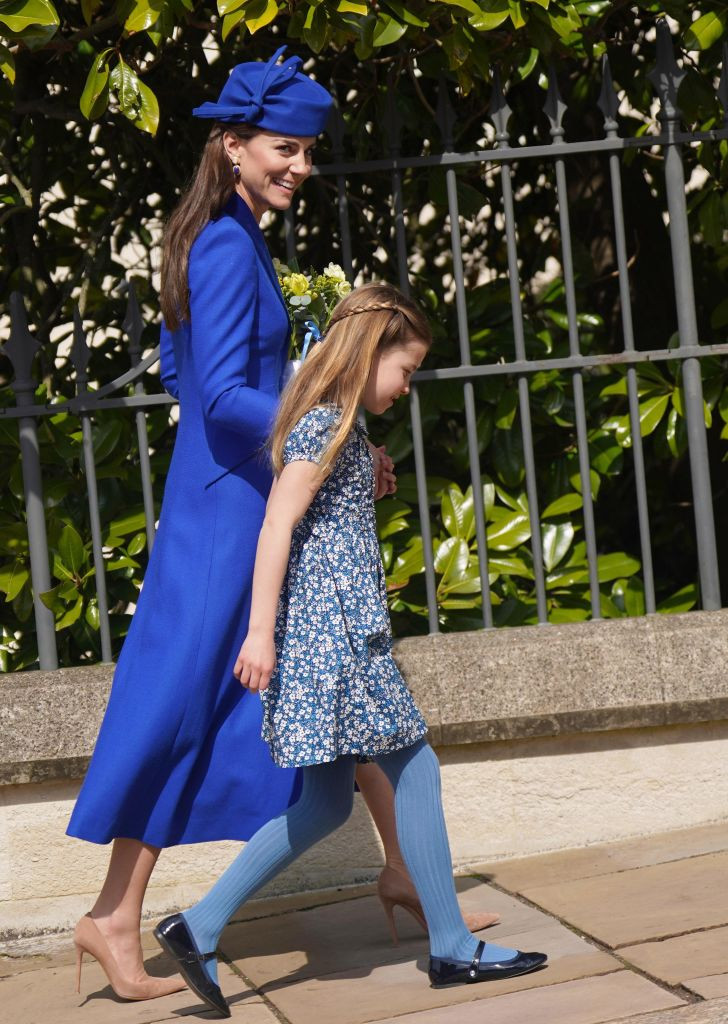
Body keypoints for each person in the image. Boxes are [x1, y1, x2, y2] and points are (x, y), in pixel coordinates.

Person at [66, 49, 496, 1003]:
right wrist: (328, 433)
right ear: (232, 146)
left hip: (236, 494)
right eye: (283, 149)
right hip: (225, 513)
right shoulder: (225, 245)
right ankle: (115, 916)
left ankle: (401, 868)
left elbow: (191, 375)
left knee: (332, 679)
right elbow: (220, 396)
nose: (300, 165)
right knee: (186, 707)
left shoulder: (231, 235)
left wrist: (324, 437)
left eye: (306, 151)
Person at [154, 283, 547, 1018]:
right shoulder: (323, 425)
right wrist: (259, 633)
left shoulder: (337, 426)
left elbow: (320, 516)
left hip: (334, 633)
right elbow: (277, 524)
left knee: (326, 804)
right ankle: (452, 947)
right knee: (416, 768)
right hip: (336, 639)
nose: (407, 386)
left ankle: (198, 927)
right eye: (406, 369)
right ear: (369, 355)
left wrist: (367, 475)